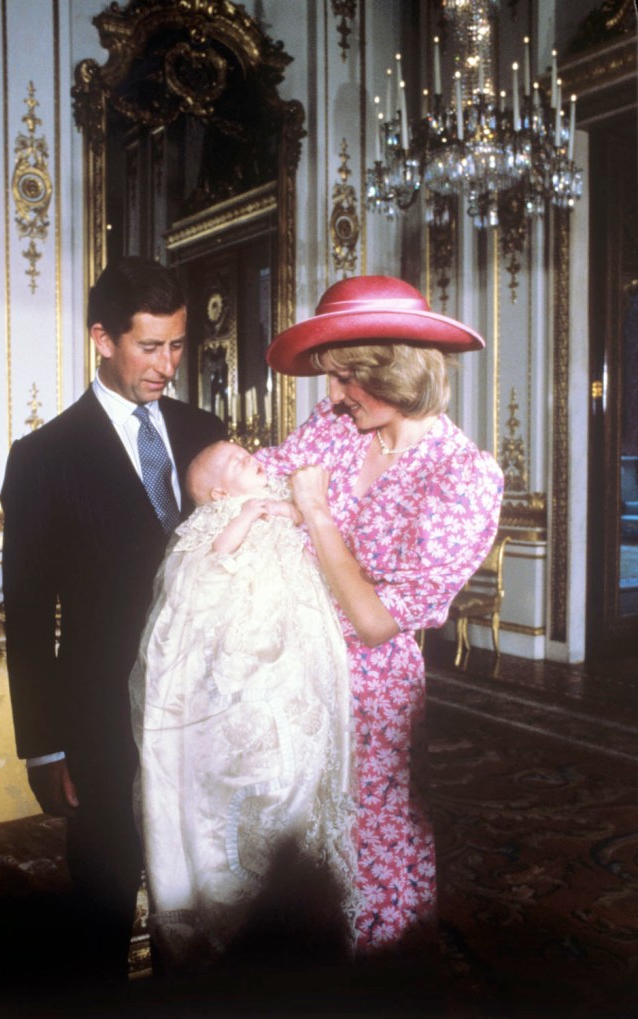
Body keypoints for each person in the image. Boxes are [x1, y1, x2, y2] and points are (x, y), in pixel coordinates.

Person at [257, 275, 504, 956]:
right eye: (331, 378)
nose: (330, 395)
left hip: (371, 694)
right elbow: (257, 475)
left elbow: (372, 622)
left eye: (344, 379)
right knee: (292, 851)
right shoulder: (336, 428)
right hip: (291, 671)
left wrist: (312, 511)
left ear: (393, 370)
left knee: (370, 853)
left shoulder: (461, 477)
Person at [0, 256, 226, 985]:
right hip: (99, 719)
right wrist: (42, 746)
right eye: (149, 346)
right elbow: (29, 618)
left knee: (208, 891)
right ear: (102, 338)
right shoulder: (43, 458)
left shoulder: (204, 430)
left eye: (178, 345)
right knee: (103, 895)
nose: (167, 365)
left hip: (206, 707)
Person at [129, 441, 357, 972]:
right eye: (234, 462)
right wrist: (248, 514)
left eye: (245, 451)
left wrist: (284, 508)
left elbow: (305, 515)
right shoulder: (217, 518)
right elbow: (214, 560)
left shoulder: (272, 497)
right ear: (218, 494)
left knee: (302, 756)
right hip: (242, 649)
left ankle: (301, 907)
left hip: (291, 638)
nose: (250, 455)